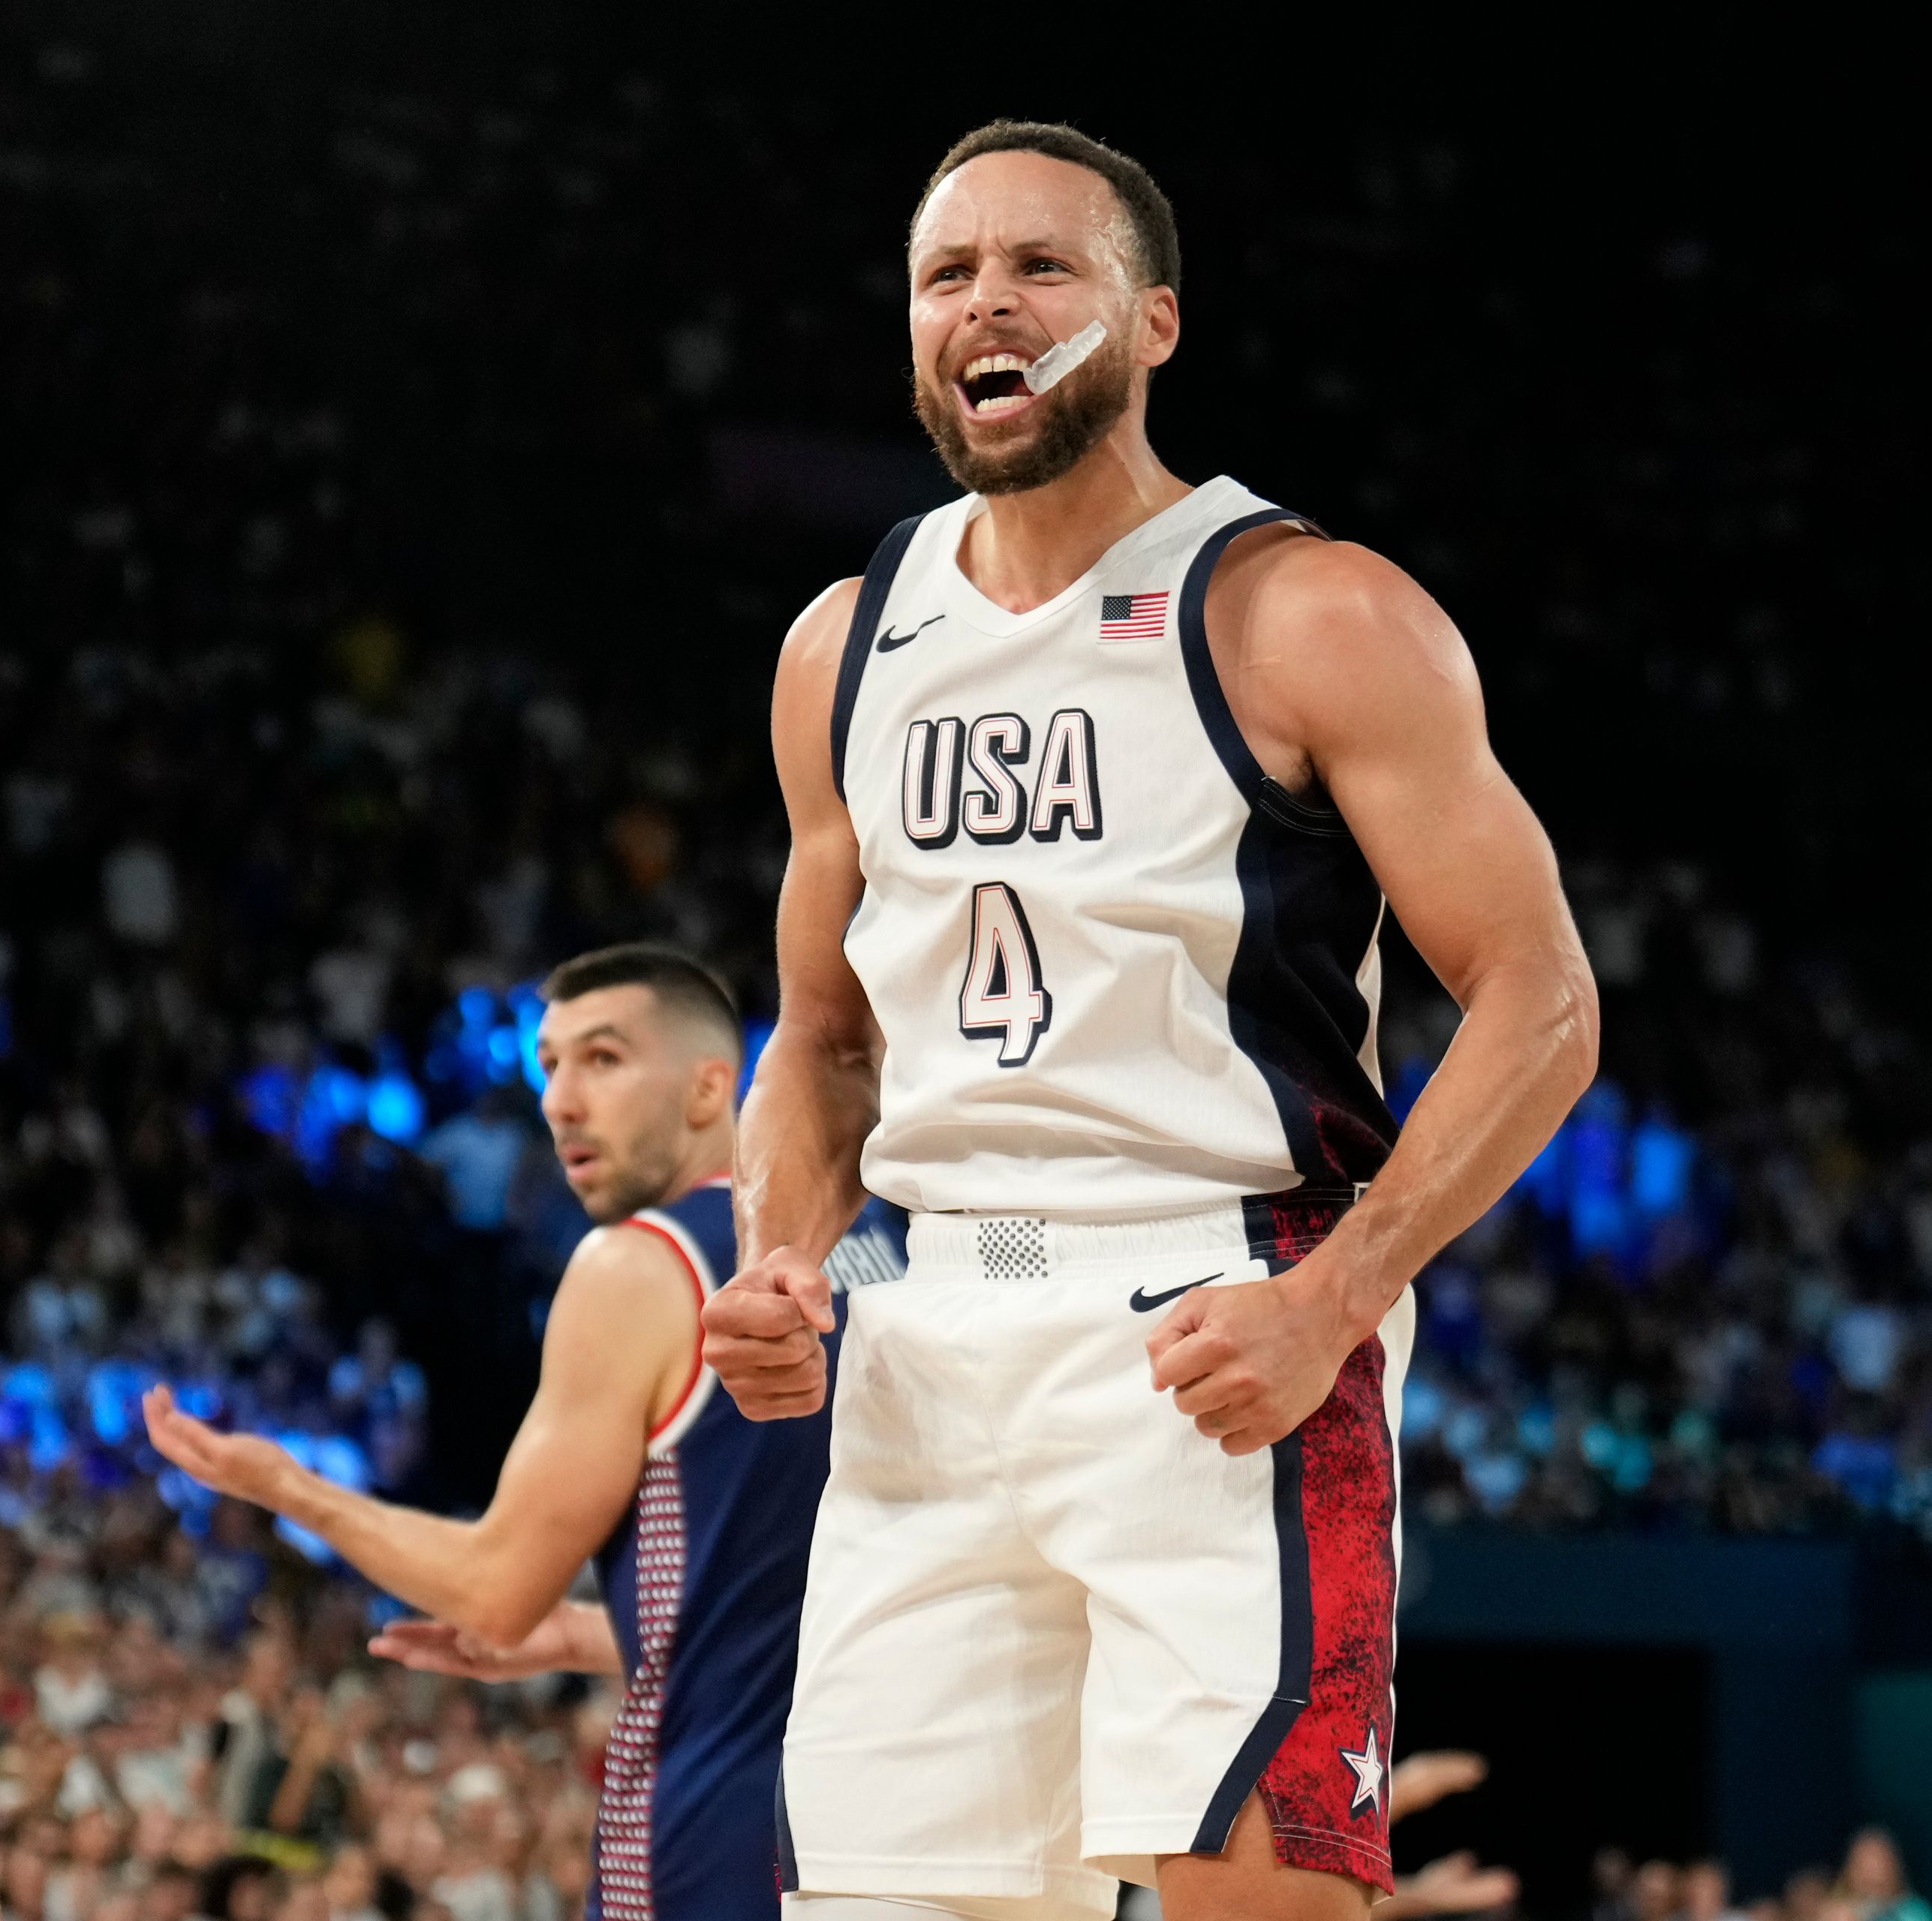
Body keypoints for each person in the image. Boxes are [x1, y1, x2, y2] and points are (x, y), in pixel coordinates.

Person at [706, 120, 1597, 1921]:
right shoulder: (842, 643)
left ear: (1151, 322)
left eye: (1039, 266)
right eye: (947, 273)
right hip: (923, 1326)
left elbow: (1541, 997)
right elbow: (815, 1040)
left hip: (1218, 1315)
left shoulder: (1305, 609)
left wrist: (1334, 1300)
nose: (987, 302)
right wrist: (778, 1257)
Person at [146, 944, 906, 1921]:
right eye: (547, 1068)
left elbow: (495, 1592)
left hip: (713, 1832)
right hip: (906, 1819)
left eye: (602, 1059)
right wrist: (592, 1634)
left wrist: (292, 1489)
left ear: (711, 1088)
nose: (560, 1102)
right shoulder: (881, 1243)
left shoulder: (640, 1263)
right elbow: (806, 1601)